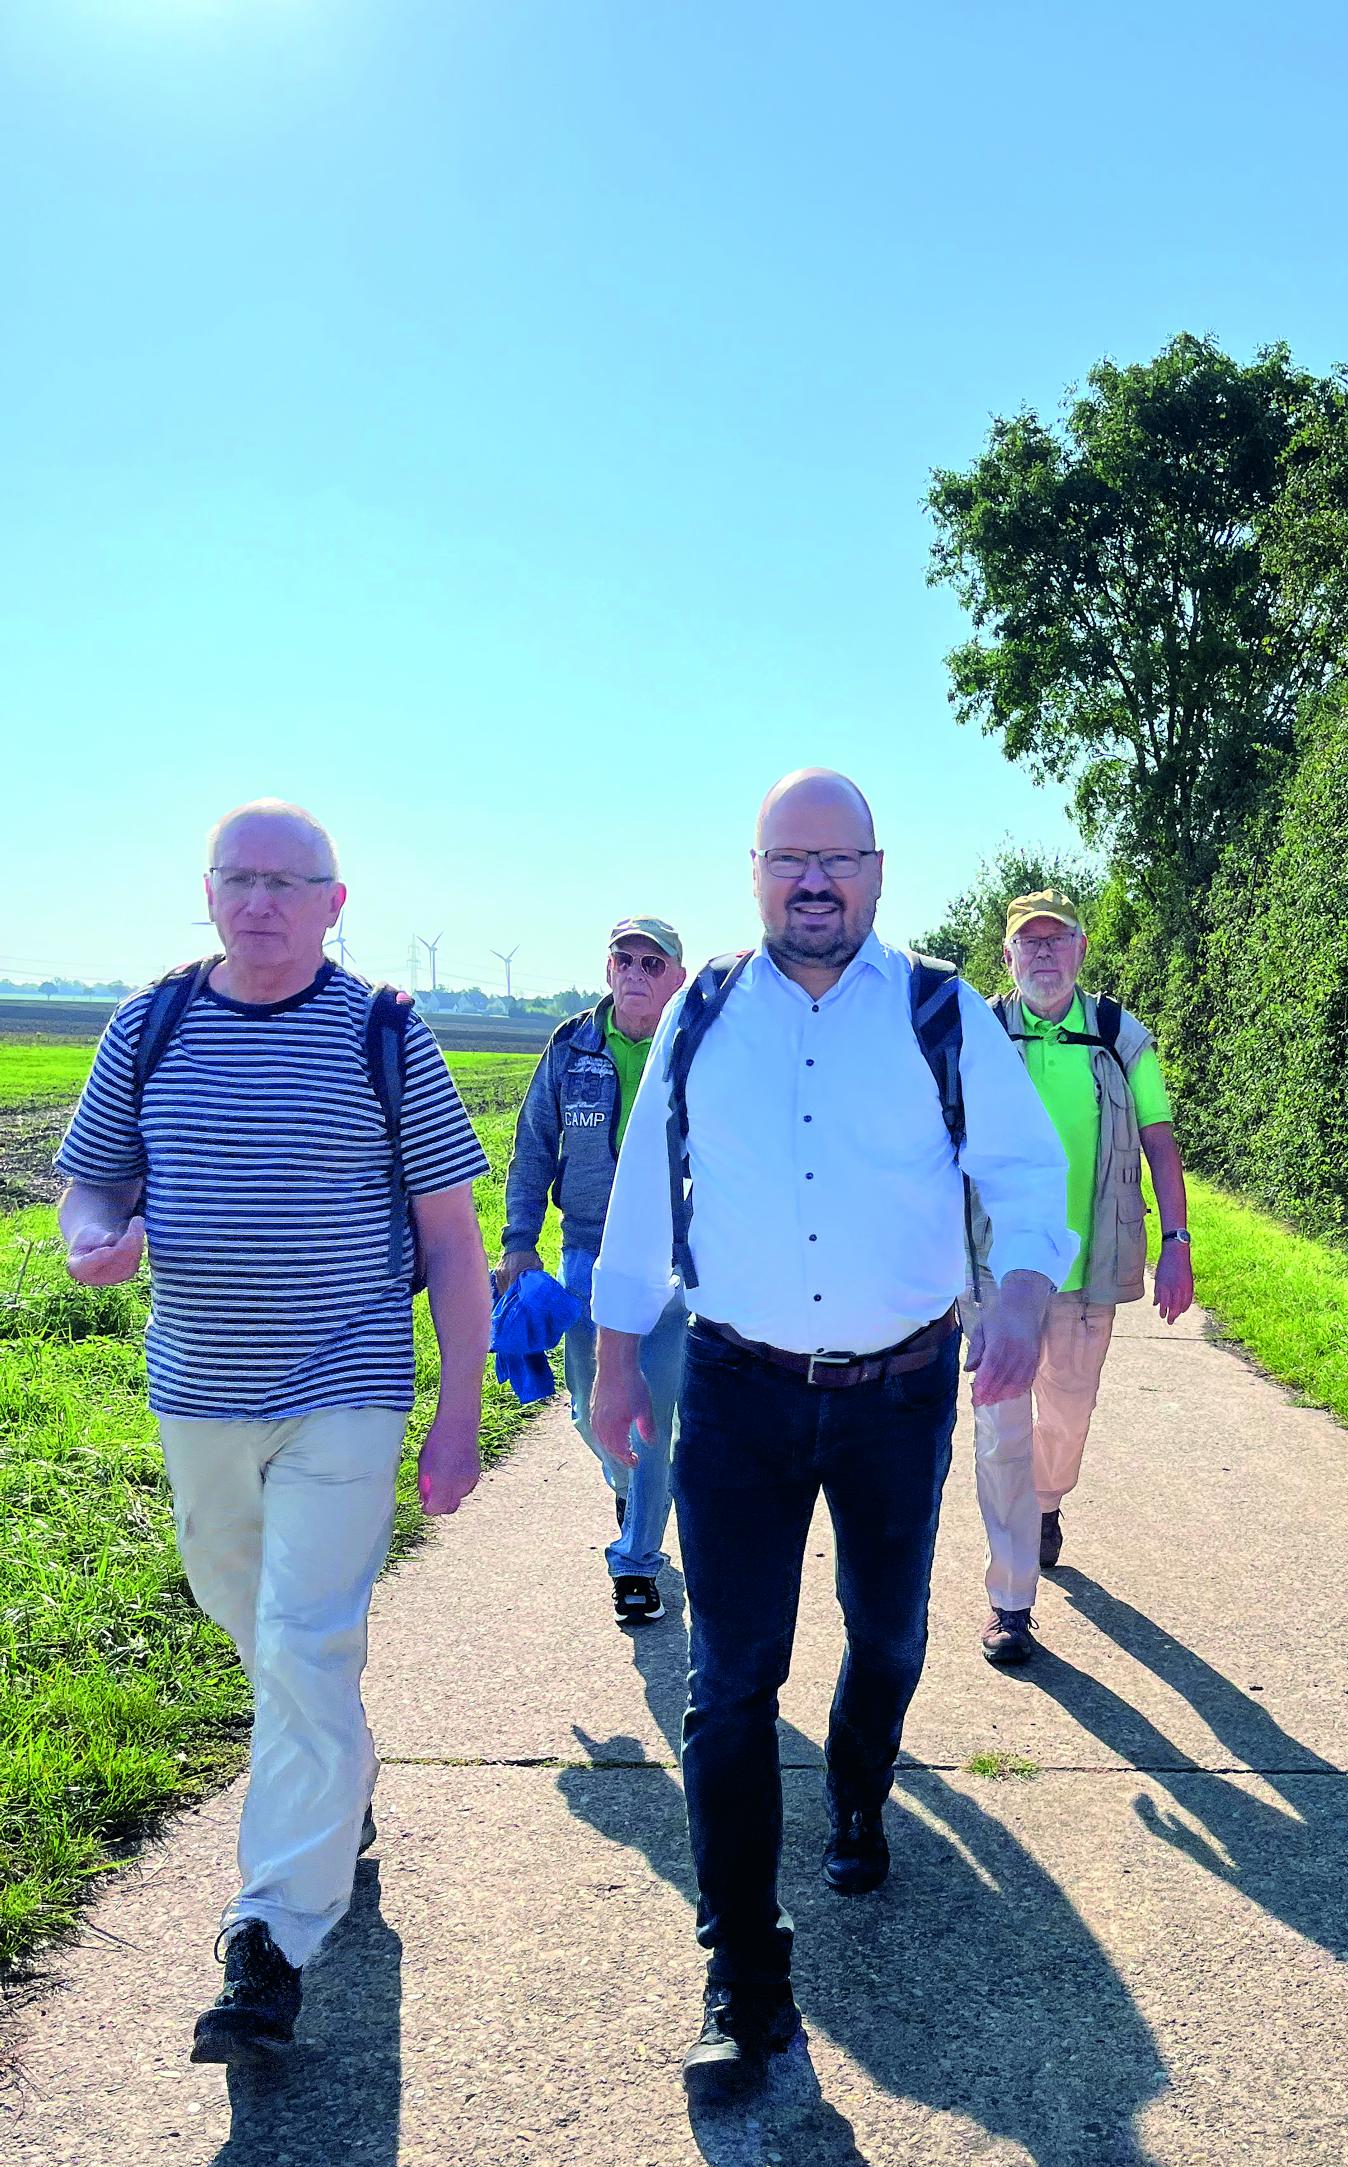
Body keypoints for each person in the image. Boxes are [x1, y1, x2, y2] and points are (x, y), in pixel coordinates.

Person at [589, 768, 1072, 2091]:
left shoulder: (938, 1009)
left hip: (897, 1396)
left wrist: (1023, 1291)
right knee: (730, 1682)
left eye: (838, 859)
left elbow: (1026, 1172)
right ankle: (743, 1972)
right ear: (754, 872)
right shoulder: (704, 1011)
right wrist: (619, 1359)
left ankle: (860, 1788)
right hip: (736, 1393)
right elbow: (644, 1193)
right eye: (790, 858)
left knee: (889, 1634)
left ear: (877, 871)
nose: (814, 881)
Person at [55, 800, 494, 2063]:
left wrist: (459, 1413)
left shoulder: (383, 1032)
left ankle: (269, 1937)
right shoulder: (150, 1022)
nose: (259, 902)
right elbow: (94, 1179)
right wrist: (90, 1240)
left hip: (345, 1386)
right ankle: (336, 1780)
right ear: (207, 892)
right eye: (238, 878)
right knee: (257, 1625)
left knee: (305, 1640)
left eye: (286, 883)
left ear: (334, 904)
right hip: (196, 1390)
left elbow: (451, 1239)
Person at [965, 889, 1194, 1668]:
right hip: (994, 1270)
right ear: (1007, 956)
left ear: (1081, 950)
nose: (1042, 953)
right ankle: (1010, 1600)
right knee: (999, 1430)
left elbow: (1159, 1138)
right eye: (1027, 942)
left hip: (1087, 1264)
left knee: (1065, 1416)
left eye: (1055, 939)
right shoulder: (979, 1034)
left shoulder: (1118, 1034)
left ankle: (1047, 1502)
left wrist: (1177, 1241)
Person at [496, 916, 689, 1627]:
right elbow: (532, 1147)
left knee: (651, 1414)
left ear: (676, 975)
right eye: (624, 959)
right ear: (608, 970)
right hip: (586, 1253)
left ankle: (636, 1561)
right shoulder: (572, 1045)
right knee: (589, 1410)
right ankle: (629, 1488)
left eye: (652, 962)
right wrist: (519, 1242)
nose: (637, 972)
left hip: (673, 1256)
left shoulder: (695, 1043)